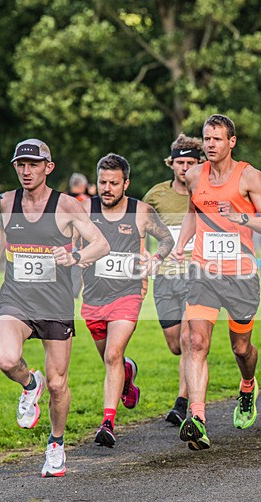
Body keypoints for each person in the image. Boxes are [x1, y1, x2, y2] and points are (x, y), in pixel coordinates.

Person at [0, 139, 110, 476]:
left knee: (57, 383)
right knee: (7, 359)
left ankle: (56, 443)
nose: (26, 171)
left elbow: (101, 243)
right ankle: (28, 384)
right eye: (20, 164)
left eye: (33, 165)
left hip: (55, 303)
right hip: (17, 299)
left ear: (48, 168)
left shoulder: (66, 205)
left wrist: (76, 256)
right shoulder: (6, 201)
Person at [170, 114, 261, 451]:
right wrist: (180, 244)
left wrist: (240, 217)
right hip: (203, 272)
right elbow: (193, 211)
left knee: (241, 349)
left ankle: (248, 385)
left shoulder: (249, 176)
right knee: (195, 341)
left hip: (241, 276)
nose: (211, 145)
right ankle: (197, 419)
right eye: (207, 138)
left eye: (218, 139)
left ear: (232, 142)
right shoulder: (194, 175)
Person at [80, 154, 174, 447]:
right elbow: (65, 237)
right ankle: (127, 373)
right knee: (110, 357)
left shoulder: (140, 211)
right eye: (102, 182)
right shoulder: (84, 208)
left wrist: (156, 258)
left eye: (114, 183)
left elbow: (167, 239)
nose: (107, 188)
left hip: (128, 293)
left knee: (111, 355)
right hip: (93, 296)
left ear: (126, 183)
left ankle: (107, 422)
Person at [142, 133, 204, 425]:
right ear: (171, 164)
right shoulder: (155, 195)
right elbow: (140, 227)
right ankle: (188, 388)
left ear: (199, 163)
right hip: (166, 277)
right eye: (180, 162)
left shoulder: (205, 191)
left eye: (190, 162)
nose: (185, 168)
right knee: (175, 343)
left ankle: (183, 403)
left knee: (189, 340)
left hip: (196, 274)